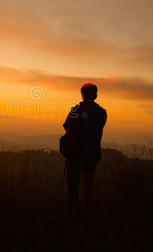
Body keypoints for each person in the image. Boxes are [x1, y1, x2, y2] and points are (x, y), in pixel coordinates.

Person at [62, 83, 107, 219]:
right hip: (92, 153)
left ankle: (72, 213)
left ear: (82, 94)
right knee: (88, 184)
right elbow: (99, 126)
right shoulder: (102, 112)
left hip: (75, 153)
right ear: (95, 95)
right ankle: (87, 213)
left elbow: (66, 126)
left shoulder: (75, 110)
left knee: (73, 185)